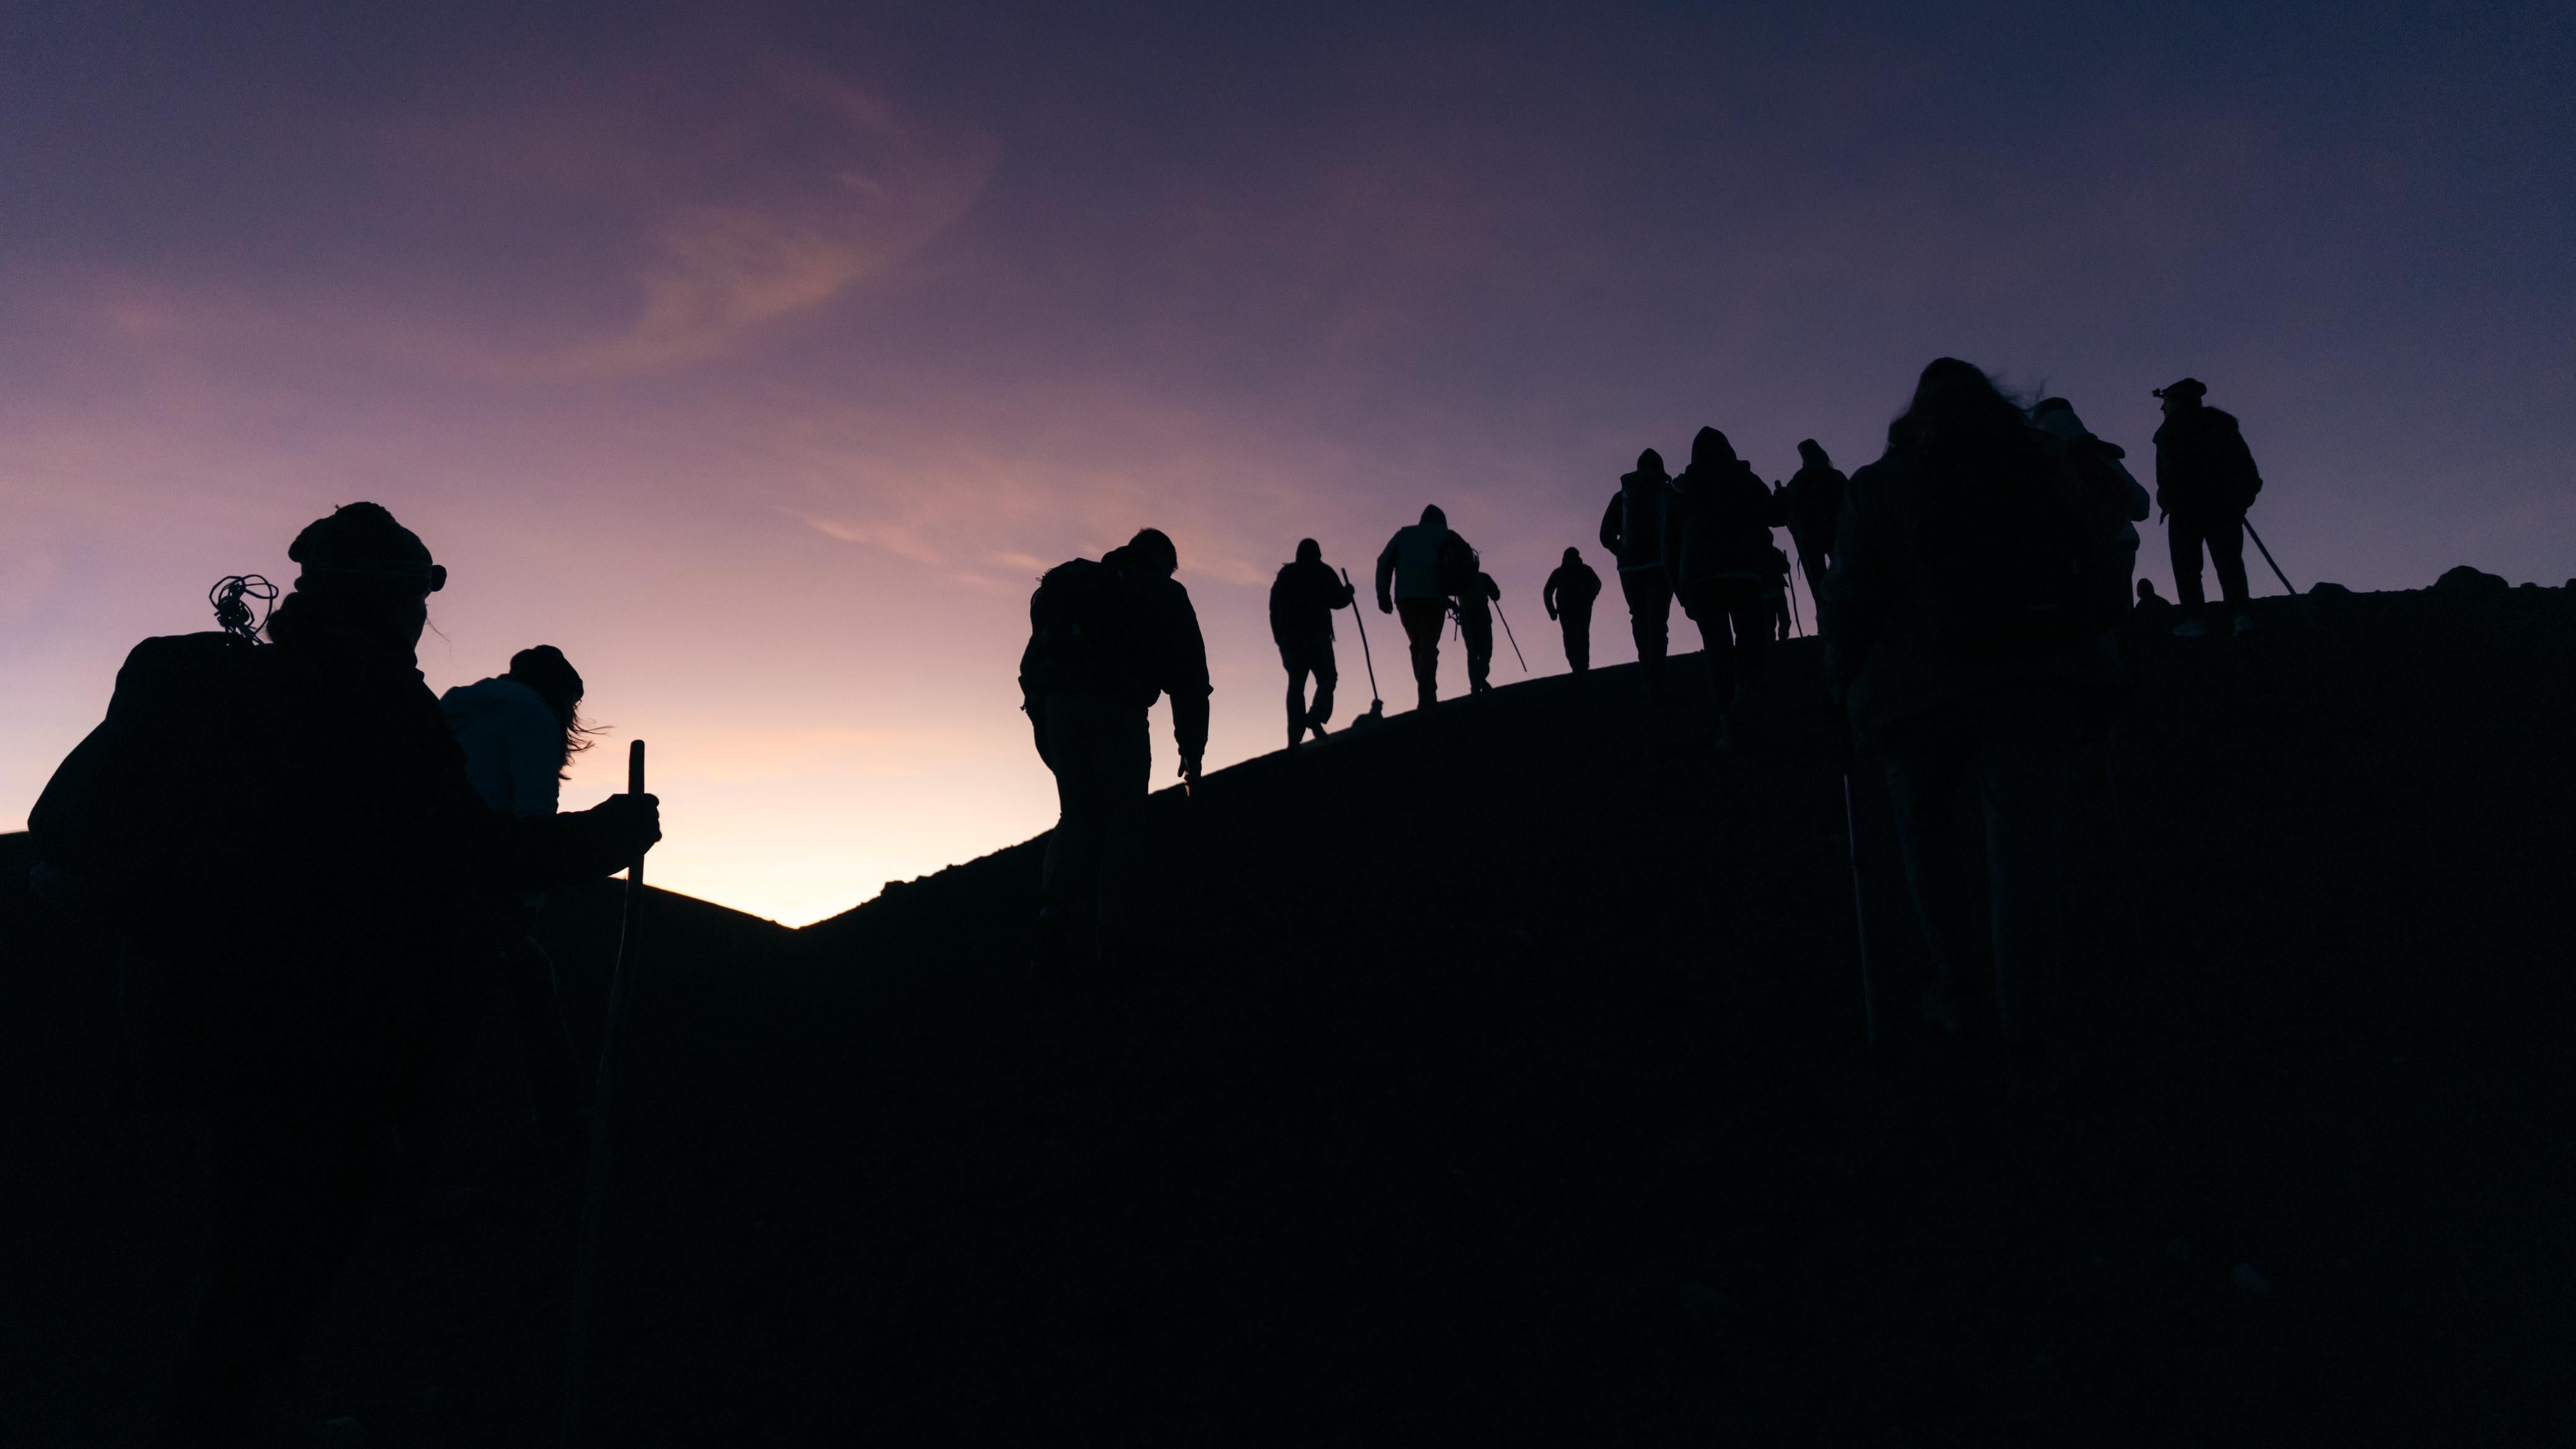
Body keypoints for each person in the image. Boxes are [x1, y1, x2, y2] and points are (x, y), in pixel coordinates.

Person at [30, 502, 659, 1448]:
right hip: (323, 1035)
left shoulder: (226, 687)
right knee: (282, 1261)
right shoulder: (369, 707)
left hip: (189, 1016)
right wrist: (609, 837)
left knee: (242, 1248)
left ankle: (229, 1407)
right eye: (416, 601)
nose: (420, 624)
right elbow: (471, 847)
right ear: (393, 603)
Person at [1823, 360, 2126, 1090]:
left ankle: (1959, 992)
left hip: (1911, 696)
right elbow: (2098, 553)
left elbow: (1847, 603)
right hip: (2030, 680)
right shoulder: (2037, 464)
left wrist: (1841, 695)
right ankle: (2029, 1031)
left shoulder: (1877, 482)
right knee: (2020, 858)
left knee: (1925, 838)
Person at [1019, 528, 1211, 967]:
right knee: (1124, 819)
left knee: (1076, 816)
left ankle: (1054, 918)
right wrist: (1192, 750)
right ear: (1162, 562)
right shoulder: (1163, 593)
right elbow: (1188, 680)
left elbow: (1032, 665)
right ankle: (1116, 939)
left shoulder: (1080, 585)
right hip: (1117, 710)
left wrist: (1045, 728)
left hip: (1058, 710)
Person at [439, 645, 599, 1159]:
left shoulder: (452, 707)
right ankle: (559, 1124)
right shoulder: (534, 716)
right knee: (520, 987)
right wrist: (528, 898)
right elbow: (534, 815)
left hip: (423, 870)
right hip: (486, 882)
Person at [1662, 427, 1784, 751]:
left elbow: (1669, 546)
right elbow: (1775, 514)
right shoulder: (1744, 479)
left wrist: (1680, 590)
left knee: (1717, 647)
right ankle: (1747, 697)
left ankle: (1727, 720)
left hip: (1700, 578)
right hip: (1744, 570)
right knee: (1750, 637)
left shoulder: (1679, 490)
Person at [2151, 377, 2263, 638]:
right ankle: (2240, 618)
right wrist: (2242, 498)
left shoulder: (2170, 430)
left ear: (2175, 402)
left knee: (2187, 565)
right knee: (2229, 562)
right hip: (2225, 506)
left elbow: (2164, 475)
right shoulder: (2223, 426)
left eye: (2165, 402)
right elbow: (2247, 468)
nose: (2162, 408)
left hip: (2185, 508)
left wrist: (2166, 500)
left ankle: (2196, 620)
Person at [2031, 396, 2151, 594]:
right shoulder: (2102, 453)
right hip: (2121, 543)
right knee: (2118, 613)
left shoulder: (2041, 457)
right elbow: (2141, 505)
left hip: (2071, 550)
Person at [1375, 505, 1474, 711]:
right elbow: (1470, 561)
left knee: (1417, 645)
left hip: (1406, 599)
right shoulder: (1449, 535)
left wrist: (1382, 595)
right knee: (1428, 647)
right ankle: (1427, 694)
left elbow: (1383, 562)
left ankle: (1426, 690)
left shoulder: (1404, 535)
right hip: (1434, 599)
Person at [1268, 538, 1354, 749]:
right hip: (1316, 637)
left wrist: (1280, 638)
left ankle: (1294, 740)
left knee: (1297, 686)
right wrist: (1348, 593)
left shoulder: (1287, 574)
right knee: (1327, 678)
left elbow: (1274, 608)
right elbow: (1337, 600)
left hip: (1292, 640)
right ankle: (1315, 717)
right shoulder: (1322, 571)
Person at [1599, 449, 1673, 694]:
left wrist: (1621, 551)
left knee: (1639, 616)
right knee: (1658, 620)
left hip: (1630, 568)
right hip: (1660, 564)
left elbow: (1605, 535)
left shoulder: (1623, 496)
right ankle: (1658, 672)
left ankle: (1646, 668)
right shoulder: (1666, 492)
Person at [1779, 439, 1847, 601]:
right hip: (1825, 534)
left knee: (1828, 580)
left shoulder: (1802, 479)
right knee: (1837, 577)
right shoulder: (1832, 476)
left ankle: (1833, 612)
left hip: (1818, 535)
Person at [1542, 546, 1602, 672]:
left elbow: (1547, 593)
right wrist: (1551, 610)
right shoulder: (1578, 570)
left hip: (1576, 608)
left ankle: (1579, 664)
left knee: (1575, 635)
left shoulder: (1568, 571)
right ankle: (1579, 664)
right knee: (1580, 634)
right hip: (1573, 608)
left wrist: (1552, 611)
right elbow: (1547, 592)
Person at [1455, 564, 1503, 694]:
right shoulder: (1480, 578)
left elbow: (1495, 595)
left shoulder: (1461, 579)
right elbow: (1496, 595)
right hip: (1477, 620)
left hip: (1473, 620)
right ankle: (1478, 684)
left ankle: (1478, 682)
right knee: (1481, 652)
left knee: (1478, 653)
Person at [1764, 543, 1796, 642]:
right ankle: (1775, 643)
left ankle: (1779, 642)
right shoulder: (1773, 552)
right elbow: (1785, 568)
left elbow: (1785, 568)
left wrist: (1786, 565)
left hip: (1775, 592)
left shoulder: (1774, 552)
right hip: (1769, 593)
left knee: (1780, 620)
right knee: (1773, 621)